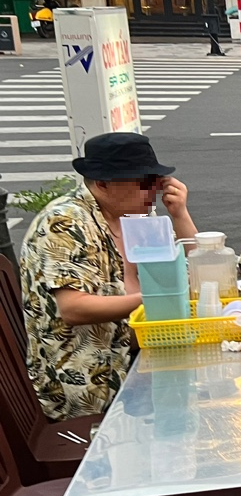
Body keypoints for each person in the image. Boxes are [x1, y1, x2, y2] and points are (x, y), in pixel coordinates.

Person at [20, 133, 197, 420]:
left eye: (157, 181)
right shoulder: (64, 222)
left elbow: (196, 269)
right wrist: (157, 298)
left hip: (138, 354)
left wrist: (180, 215)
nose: (155, 190)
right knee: (194, 409)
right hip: (90, 377)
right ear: (102, 184)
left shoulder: (134, 215)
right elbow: (73, 308)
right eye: (145, 183)